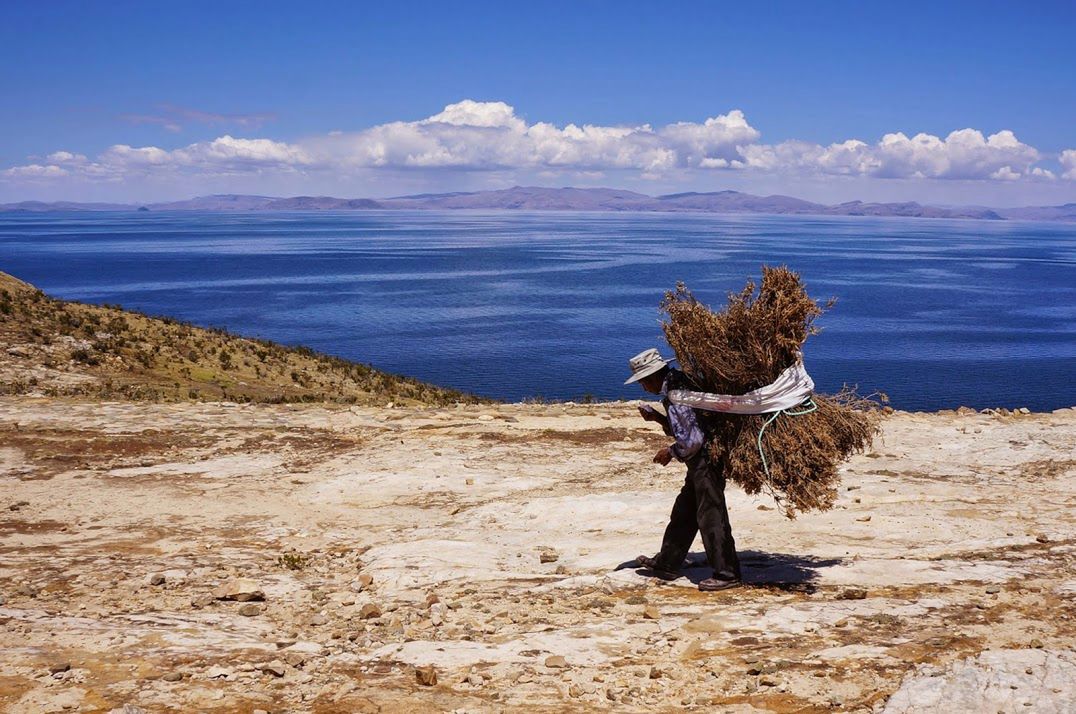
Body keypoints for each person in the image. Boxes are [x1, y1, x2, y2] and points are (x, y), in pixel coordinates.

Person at [624, 348, 742, 592]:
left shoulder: (677, 395)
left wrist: (669, 452)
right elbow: (686, 429)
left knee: (711, 516)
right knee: (684, 512)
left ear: (653, 376)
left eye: (643, 382)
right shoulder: (679, 386)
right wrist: (657, 418)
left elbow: (692, 441)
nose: (644, 388)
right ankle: (668, 562)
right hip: (700, 461)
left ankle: (727, 573)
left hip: (705, 461)